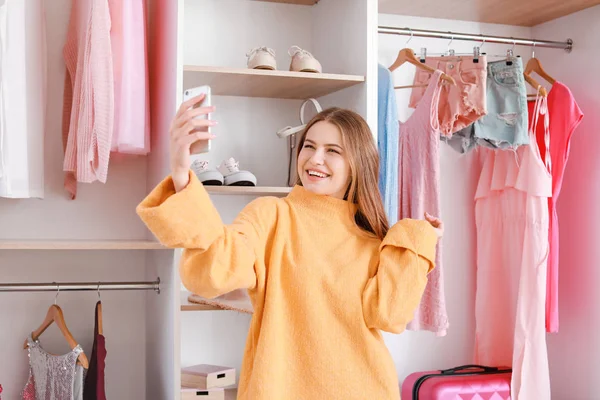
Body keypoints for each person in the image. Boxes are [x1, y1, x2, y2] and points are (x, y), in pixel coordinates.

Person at [136, 94, 443, 400]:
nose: (315, 159)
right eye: (309, 146)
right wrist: (180, 171)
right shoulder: (271, 215)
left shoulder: (374, 239)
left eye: (332, 150)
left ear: (357, 163)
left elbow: (390, 314)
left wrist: (417, 239)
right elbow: (213, 271)